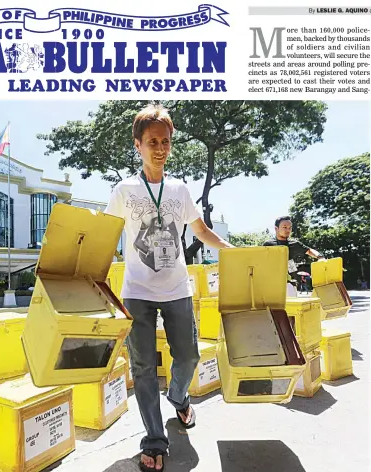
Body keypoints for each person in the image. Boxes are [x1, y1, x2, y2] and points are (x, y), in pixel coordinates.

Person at [105, 104, 234, 472]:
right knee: (143, 366)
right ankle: (154, 439)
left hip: (177, 288)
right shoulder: (124, 190)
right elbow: (107, 235)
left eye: (165, 141)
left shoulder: (179, 189)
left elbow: (200, 230)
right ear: (138, 145)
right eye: (151, 142)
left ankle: (178, 395)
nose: (159, 148)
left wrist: (230, 250)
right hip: (137, 291)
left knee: (189, 355)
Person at [263, 216, 325, 296]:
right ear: (276, 228)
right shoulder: (268, 244)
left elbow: (309, 250)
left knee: (292, 306)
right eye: (284, 227)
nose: (288, 230)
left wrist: (320, 257)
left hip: (290, 283)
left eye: (290, 228)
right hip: (272, 283)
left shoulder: (294, 243)